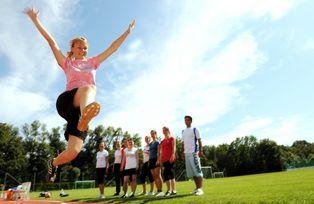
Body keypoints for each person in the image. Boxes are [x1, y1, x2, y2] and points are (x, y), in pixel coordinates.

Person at [24, 7, 135, 182]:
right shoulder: (66, 62)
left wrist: (127, 32)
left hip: (78, 114)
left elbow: (112, 48)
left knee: (72, 152)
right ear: (73, 48)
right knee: (89, 88)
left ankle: (53, 163)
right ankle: (86, 115)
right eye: (80, 47)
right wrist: (35, 19)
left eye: (85, 48)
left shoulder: (92, 62)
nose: (83, 50)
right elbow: (51, 42)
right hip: (67, 101)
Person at [181, 116, 204, 196]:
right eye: (185, 120)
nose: (186, 121)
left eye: (187, 120)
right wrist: (182, 152)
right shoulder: (183, 131)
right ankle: (197, 188)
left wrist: (200, 151)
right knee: (192, 173)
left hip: (194, 153)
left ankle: (200, 189)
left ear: (191, 121)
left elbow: (199, 140)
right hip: (186, 153)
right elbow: (183, 143)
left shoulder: (194, 129)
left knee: (198, 171)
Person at [160, 127, 177, 196]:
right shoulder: (162, 141)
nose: (164, 131)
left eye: (165, 130)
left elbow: (174, 147)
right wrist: (160, 160)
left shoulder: (172, 138)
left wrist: (173, 155)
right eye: (163, 130)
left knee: (171, 173)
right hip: (164, 160)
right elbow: (161, 151)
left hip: (170, 159)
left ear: (168, 130)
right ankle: (168, 190)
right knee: (165, 174)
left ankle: (174, 190)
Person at [149, 130, 164, 197]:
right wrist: (149, 161)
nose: (152, 135)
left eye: (153, 134)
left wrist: (158, 160)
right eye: (151, 134)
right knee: (154, 176)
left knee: (158, 175)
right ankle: (158, 190)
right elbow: (150, 153)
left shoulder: (158, 142)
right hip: (151, 160)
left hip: (156, 159)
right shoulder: (151, 143)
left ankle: (160, 191)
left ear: (155, 134)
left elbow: (159, 152)